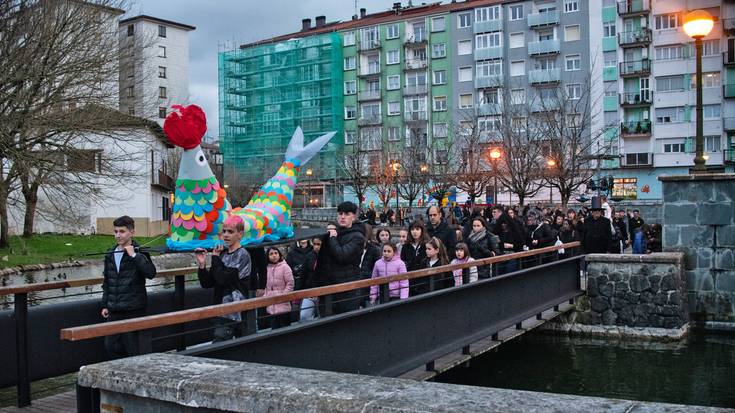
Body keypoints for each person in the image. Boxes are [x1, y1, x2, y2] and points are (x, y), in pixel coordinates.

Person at [101, 215, 157, 358]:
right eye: (116, 232)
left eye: (122, 231)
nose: (118, 235)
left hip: (133, 308)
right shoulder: (110, 253)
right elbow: (107, 281)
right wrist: (105, 304)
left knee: (133, 348)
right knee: (110, 346)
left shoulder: (140, 252)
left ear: (131, 232)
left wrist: (134, 256)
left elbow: (151, 273)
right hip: (114, 308)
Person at [195, 215, 251, 342]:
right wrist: (202, 265)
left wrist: (215, 258)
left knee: (222, 343)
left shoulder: (243, 255)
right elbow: (208, 283)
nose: (226, 235)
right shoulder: (223, 255)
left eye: (230, 232)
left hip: (235, 311)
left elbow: (223, 279)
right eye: (224, 231)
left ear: (240, 234)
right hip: (221, 309)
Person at [318, 201, 366, 314]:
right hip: (329, 286)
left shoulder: (358, 236)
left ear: (354, 217)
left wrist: (332, 238)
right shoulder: (335, 232)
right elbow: (322, 259)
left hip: (347, 288)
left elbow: (342, 256)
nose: (342, 217)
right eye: (340, 213)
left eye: (346, 214)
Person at [260, 247, 294, 329]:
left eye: (276, 253)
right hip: (271, 304)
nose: (274, 256)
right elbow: (264, 285)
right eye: (271, 254)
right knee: (274, 329)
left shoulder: (285, 267)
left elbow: (290, 283)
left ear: (279, 255)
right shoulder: (266, 269)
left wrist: (283, 295)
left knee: (285, 329)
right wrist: (265, 296)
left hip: (283, 303)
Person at [401, 221, 429, 296]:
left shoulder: (427, 245)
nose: (414, 232)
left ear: (422, 230)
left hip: (424, 280)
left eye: (417, 229)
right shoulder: (406, 246)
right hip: (410, 280)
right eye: (412, 229)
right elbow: (403, 262)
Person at [299, 237, 323, 321]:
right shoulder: (309, 256)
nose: (316, 247)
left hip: (324, 292)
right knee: (304, 316)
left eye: (319, 244)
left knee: (323, 317)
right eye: (314, 244)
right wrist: (299, 291)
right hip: (310, 291)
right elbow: (303, 274)